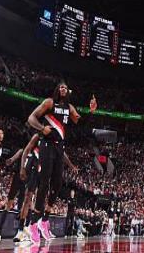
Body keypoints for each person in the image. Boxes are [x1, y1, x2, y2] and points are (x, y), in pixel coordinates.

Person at [26, 82, 95, 244]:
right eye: (61, 87)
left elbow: (80, 123)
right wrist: (42, 128)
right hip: (46, 145)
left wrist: (91, 112)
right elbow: (31, 118)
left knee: (57, 184)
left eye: (65, 87)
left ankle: (44, 220)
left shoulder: (69, 108)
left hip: (59, 147)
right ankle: (33, 224)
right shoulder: (49, 102)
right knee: (44, 183)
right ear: (57, 90)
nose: (63, 89)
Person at [0, 147, 25, 242]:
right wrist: (10, 160)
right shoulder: (22, 150)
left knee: (24, 206)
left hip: (27, 180)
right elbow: (13, 158)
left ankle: (20, 231)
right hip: (17, 178)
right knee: (9, 204)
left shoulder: (37, 154)